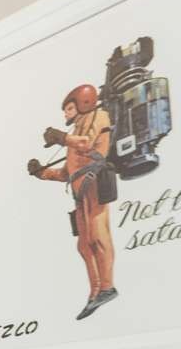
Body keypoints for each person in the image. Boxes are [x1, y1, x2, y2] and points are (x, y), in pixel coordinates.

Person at [27, 83, 117, 320]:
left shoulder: (99, 115)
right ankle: (96, 292)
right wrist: (41, 173)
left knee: (98, 235)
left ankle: (107, 287)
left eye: (69, 107)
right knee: (84, 245)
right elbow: (67, 173)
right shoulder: (76, 130)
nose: (66, 113)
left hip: (95, 182)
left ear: (83, 102)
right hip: (80, 194)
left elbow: (86, 144)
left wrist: (61, 137)